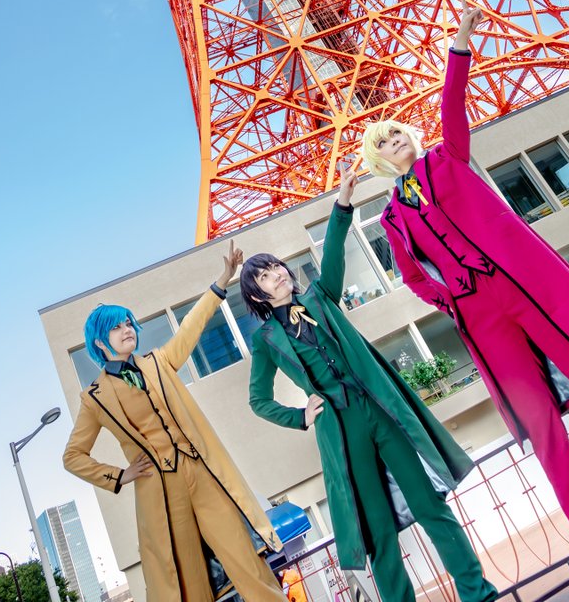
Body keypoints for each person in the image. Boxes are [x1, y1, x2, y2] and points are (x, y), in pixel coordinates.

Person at [363, 0, 569, 601]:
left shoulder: (448, 158)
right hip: (481, 317)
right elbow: (411, 276)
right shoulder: (393, 217)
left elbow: (452, 105)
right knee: (543, 430)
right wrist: (450, 299)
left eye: (400, 132)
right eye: (387, 141)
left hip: (528, 289)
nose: (398, 140)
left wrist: (460, 40)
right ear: (379, 161)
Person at [240, 168, 498, 602]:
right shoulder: (265, 340)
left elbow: (334, 252)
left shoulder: (320, 296)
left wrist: (342, 203)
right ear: (257, 294)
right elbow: (258, 400)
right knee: (377, 531)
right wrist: (301, 416)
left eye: (276, 267)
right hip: (340, 427)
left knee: (429, 503)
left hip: (376, 406)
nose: (277, 275)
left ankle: (478, 592)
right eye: (265, 276)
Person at [63, 240, 286, 602]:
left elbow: (190, 328)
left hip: (201, 472)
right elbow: (73, 456)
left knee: (246, 560)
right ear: (100, 343)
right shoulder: (95, 398)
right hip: (162, 493)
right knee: (188, 585)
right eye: (116, 327)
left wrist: (223, 280)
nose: (127, 329)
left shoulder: (159, 361)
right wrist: (119, 476)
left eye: (128, 323)